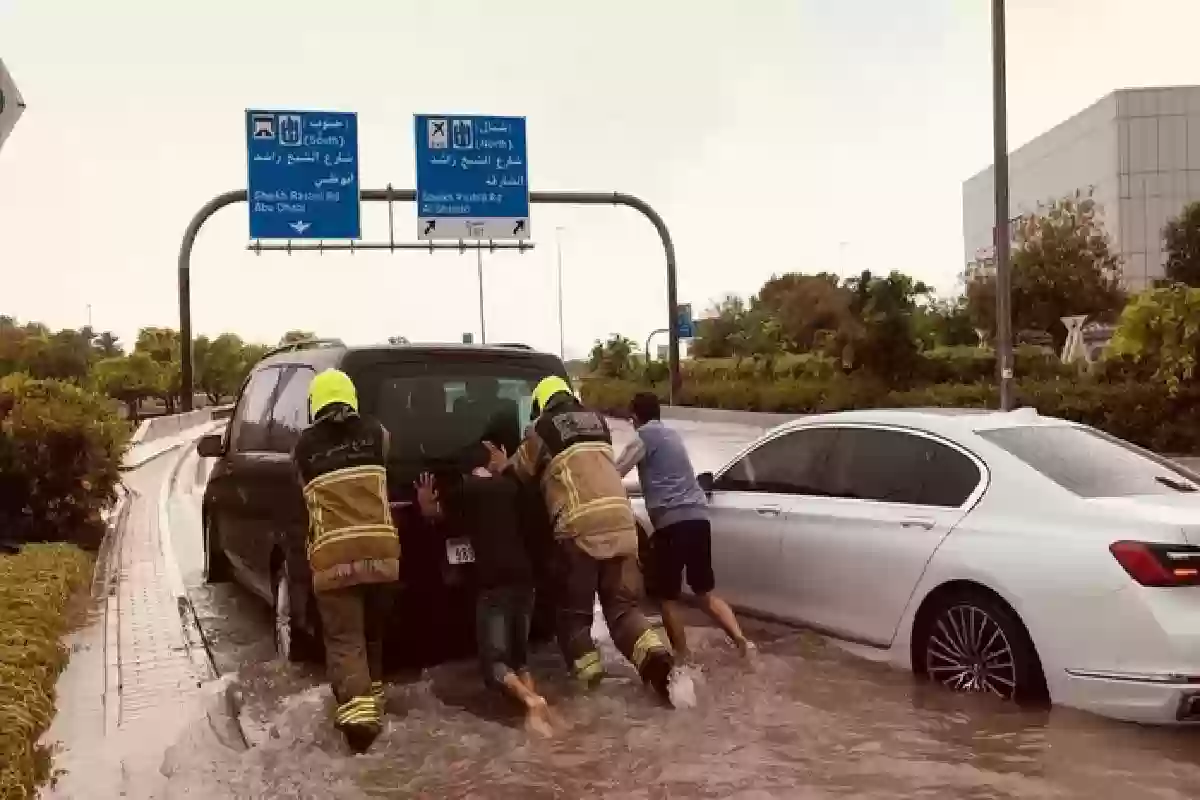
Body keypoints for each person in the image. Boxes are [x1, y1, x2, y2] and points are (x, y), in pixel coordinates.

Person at [483, 376, 684, 706]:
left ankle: (593, 694)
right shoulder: (598, 422)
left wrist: (499, 465)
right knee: (623, 610)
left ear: (541, 404)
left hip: (579, 531)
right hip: (622, 526)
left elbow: (519, 474)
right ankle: (660, 663)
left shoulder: (542, 429)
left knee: (573, 618)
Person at [413, 435, 555, 737]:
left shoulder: (467, 490)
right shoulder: (512, 486)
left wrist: (427, 502)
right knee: (520, 659)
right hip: (526, 580)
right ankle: (538, 717)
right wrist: (506, 469)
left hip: (495, 583)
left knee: (495, 667)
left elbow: (436, 517)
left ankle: (532, 701)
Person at [292, 369, 399, 754]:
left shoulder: (304, 448)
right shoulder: (377, 433)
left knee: (345, 640)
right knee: (372, 634)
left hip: (335, 557)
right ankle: (375, 700)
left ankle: (360, 729)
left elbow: (302, 489)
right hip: (383, 555)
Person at [615, 392, 754, 663]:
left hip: (672, 524)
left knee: (667, 598)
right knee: (704, 594)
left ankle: (682, 658)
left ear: (634, 417)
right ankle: (743, 642)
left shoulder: (643, 437)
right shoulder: (672, 436)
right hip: (698, 520)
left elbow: (614, 471)